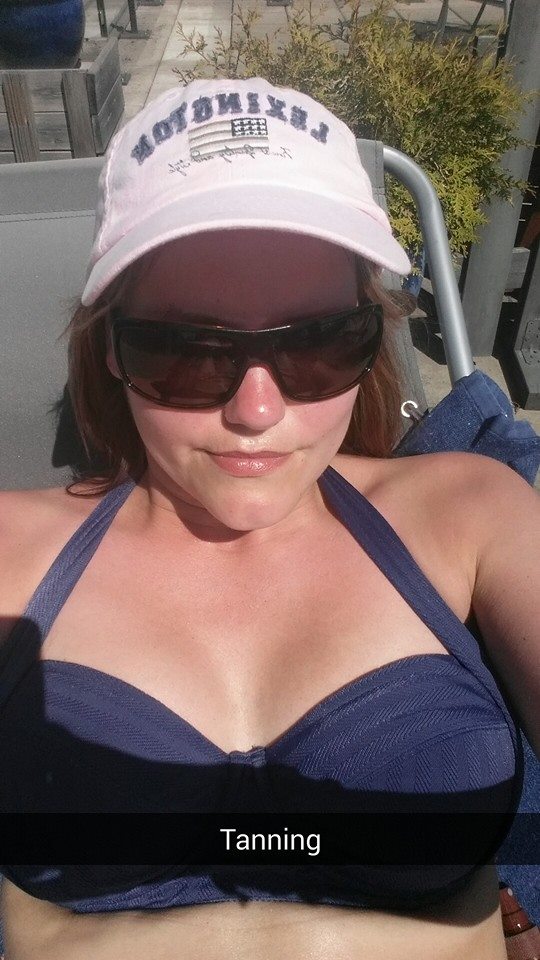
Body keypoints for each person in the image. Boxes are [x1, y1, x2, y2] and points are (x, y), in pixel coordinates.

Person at [0, 76, 538, 960]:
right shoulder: (13, 557)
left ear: (371, 335)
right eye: (187, 349)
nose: (256, 411)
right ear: (111, 347)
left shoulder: (471, 514)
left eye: (318, 341)